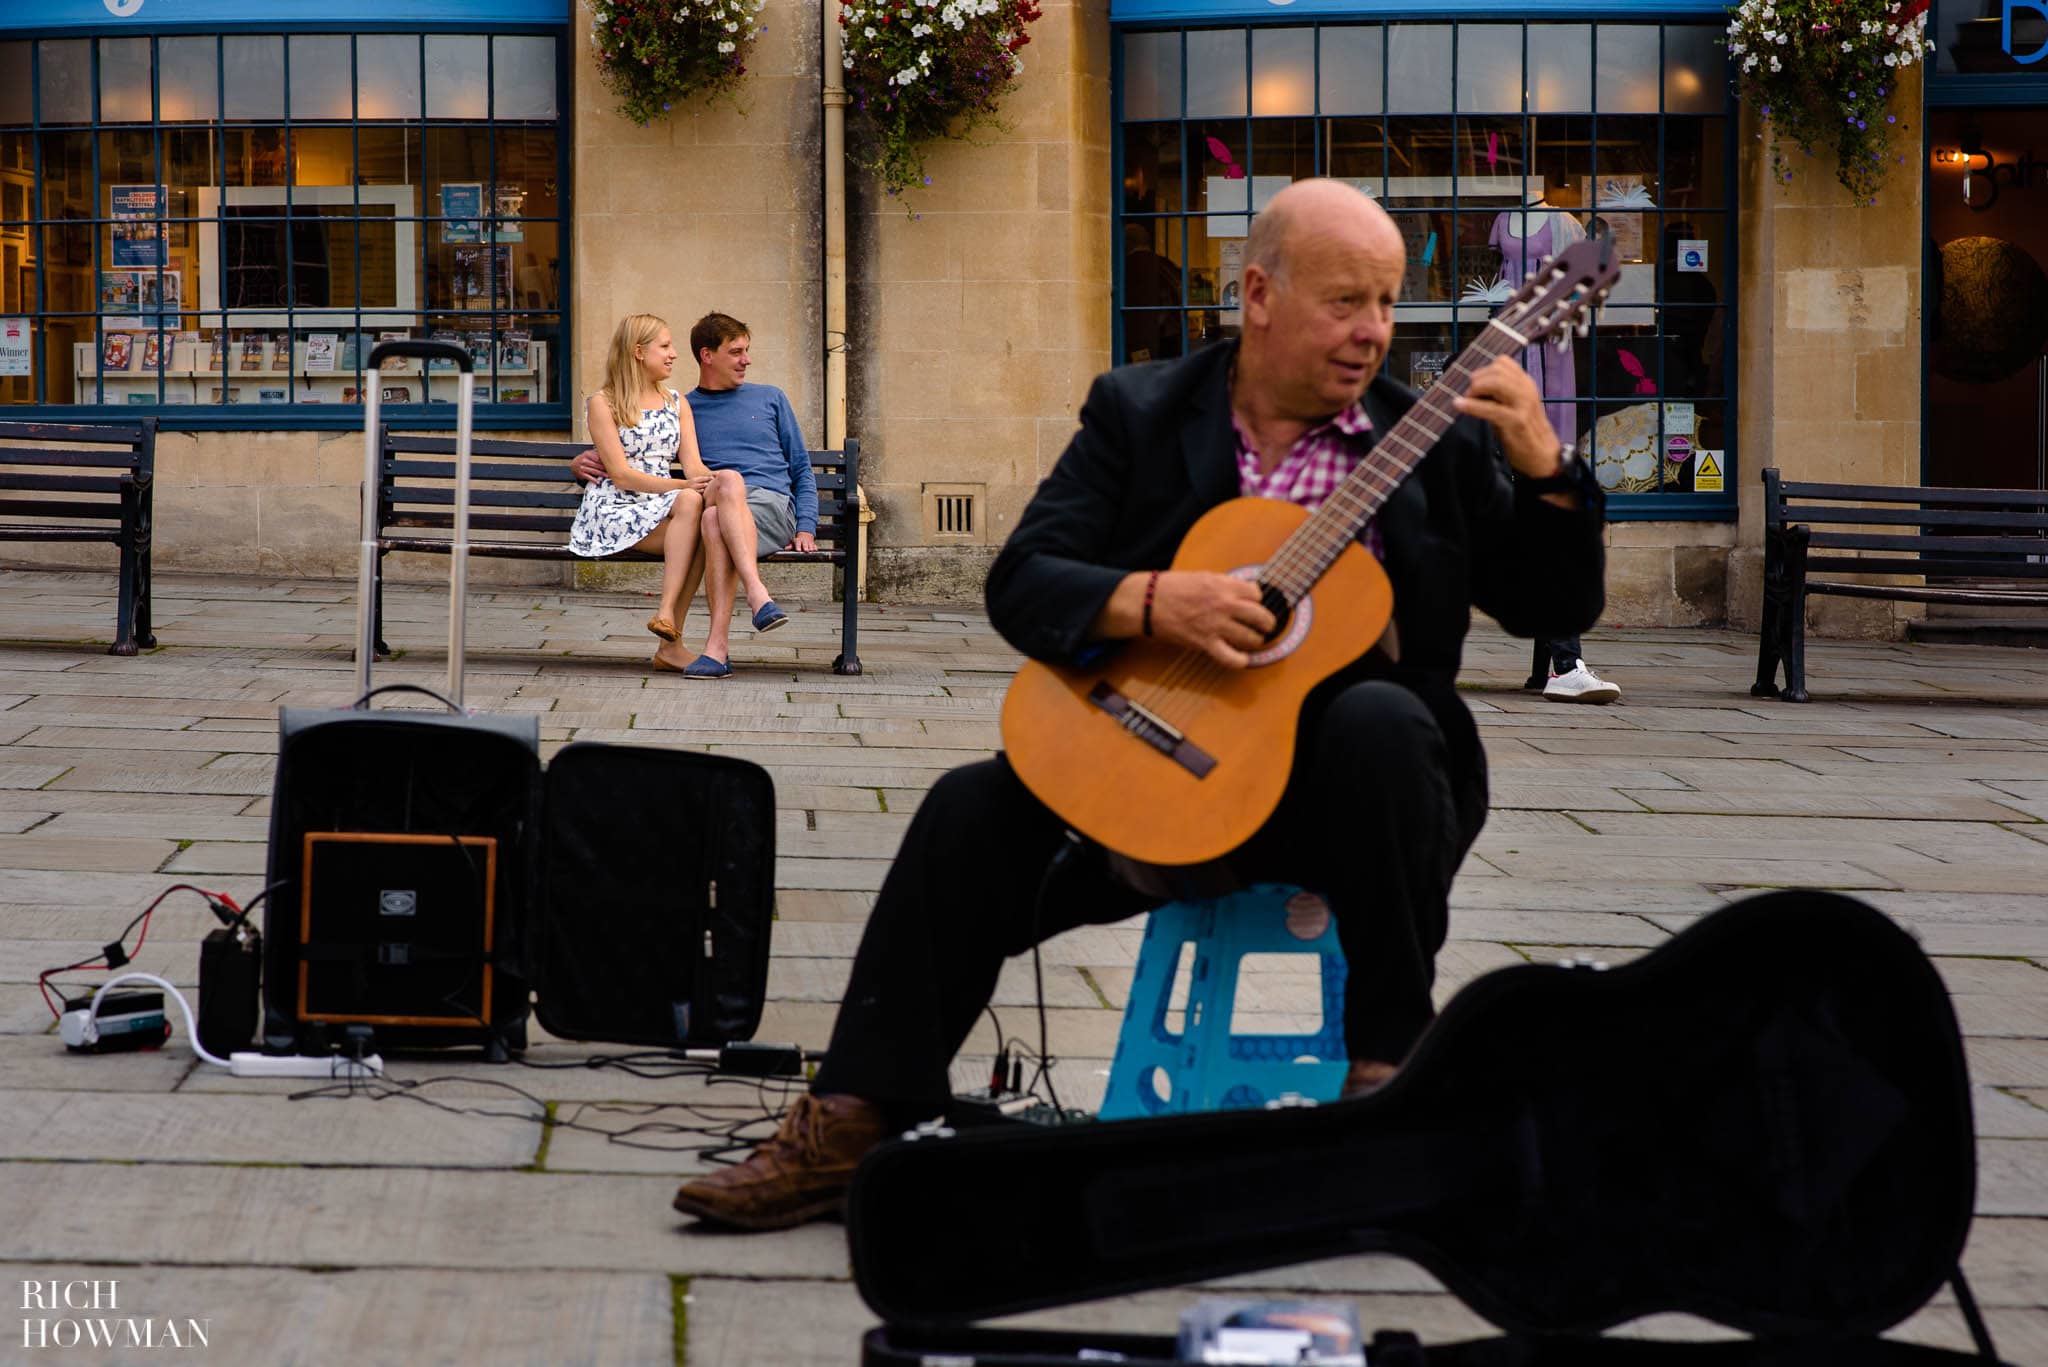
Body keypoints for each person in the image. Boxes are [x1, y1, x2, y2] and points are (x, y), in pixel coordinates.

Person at [670, 179, 1607, 1232]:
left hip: (1363, 808)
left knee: (1379, 719)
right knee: (966, 809)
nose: (1371, 332)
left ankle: (1385, 1085)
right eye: (1346, 300)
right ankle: (855, 1113)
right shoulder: (1141, 411)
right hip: (1169, 781)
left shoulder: (1429, 437)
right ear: (1257, 291)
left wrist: (1545, 469)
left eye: (1386, 304)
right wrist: (1155, 600)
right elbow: (1020, 581)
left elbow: (1554, 605)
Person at [572, 313, 811, 677]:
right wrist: (582, 463)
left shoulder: (764, 399)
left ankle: (713, 634)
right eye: (736, 352)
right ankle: (741, 609)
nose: (746, 360)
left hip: (759, 504)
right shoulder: (674, 402)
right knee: (710, 514)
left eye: (746, 351)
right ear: (708, 355)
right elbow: (622, 466)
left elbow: (798, 469)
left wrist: (806, 524)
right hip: (659, 504)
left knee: (715, 507)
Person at [570, 314, 723, 674]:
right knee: (689, 503)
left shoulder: (676, 402)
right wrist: (684, 486)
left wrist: (716, 483)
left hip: (662, 505)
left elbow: (694, 466)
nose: (674, 354)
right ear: (638, 352)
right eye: (665, 346)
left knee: (697, 515)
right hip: (616, 509)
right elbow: (621, 476)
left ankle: (667, 625)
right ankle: (670, 636)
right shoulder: (603, 403)